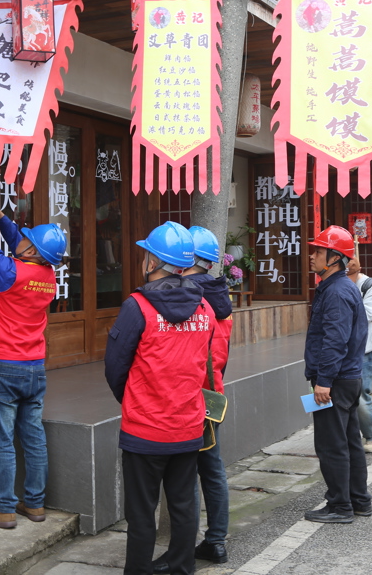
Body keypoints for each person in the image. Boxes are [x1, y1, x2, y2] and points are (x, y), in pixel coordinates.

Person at [105, 222, 215, 575]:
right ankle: (183, 569)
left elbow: (115, 367)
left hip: (145, 431)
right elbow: (203, 363)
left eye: (145, 254)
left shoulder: (137, 307)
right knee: (184, 508)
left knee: (141, 514)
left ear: (153, 260)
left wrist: (136, 399)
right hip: (187, 427)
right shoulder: (205, 310)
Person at [0, 193, 67, 529]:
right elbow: (20, 245)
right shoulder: (48, 277)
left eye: (28, 239)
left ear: (32, 251)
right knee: (33, 437)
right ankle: (36, 505)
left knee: (1, 439)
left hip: (3, 367)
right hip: (34, 369)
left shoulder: (8, 272)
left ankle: (4, 509)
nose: (22, 239)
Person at [152, 226, 232, 572]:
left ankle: (185, 548)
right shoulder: (220, 296)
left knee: (186, 475)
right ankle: (215, 539)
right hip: (212, 395)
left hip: (188, 397)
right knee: (211, 470)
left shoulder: (191, 299)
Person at [302, 226, 371, 524]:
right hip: (346, 379)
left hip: (335, 380)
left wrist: (323, 382)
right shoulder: (338, 288)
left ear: (334, 258)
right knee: (349, 442)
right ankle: (358, 501)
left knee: (331, 445)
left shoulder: (337, 292)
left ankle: (340, 506)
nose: (312, 256)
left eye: (318, 251)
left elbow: (334, 340)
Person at [346, 253, 372, 453]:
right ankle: (338, 438)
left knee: (360, 395)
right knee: (331, 396)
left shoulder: (370, 286)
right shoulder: (329, 284)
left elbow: (368, 314)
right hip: (337, 350)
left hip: (364, 350)